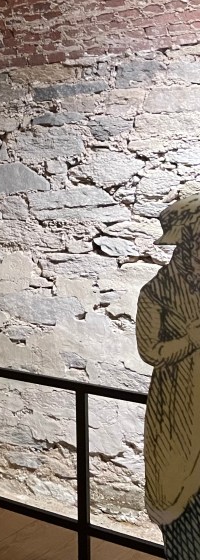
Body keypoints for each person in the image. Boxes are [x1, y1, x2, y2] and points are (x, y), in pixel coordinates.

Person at [138, 193, 200, 558]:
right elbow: (151, 351)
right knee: (182, 496)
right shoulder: (156, 292)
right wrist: (191, 339)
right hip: (178, 406)